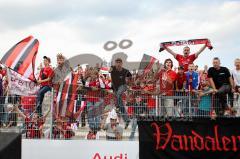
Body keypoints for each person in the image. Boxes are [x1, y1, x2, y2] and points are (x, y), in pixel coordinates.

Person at [110, 58, 132, 128]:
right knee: (121, 104)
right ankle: (127, 120)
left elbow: (130, 77)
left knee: (119, 94)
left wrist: (129, 83)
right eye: (117, 62)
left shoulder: (125, 71)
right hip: (115, 89)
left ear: (122, 63)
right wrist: (111, 68)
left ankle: (118, 107)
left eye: (120, 62)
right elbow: (109, 70)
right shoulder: (112, 68)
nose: (118, 64)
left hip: (123, 86)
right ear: (115, 63)